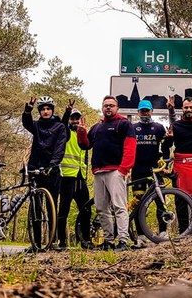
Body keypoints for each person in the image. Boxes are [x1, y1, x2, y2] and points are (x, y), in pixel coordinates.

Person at [77, 95, 136, 252]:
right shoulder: (97, 127)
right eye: (105, 105)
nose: (108, 108)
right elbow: (85, 146)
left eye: (111, 105)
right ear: (102, 108)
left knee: (119, 207)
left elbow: (130, 148)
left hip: (116, 171)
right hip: (98, 172)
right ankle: (108, 241)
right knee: (101, 208)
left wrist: (123, 170)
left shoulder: (124, 124)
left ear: (117, 108)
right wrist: (82, 133)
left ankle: (123, 240)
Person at [22, 95, 67, 253]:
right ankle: (35, 243)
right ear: (39, 111)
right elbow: (26, 123)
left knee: (51, 206)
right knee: (35, 206)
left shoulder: (60, 127)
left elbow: (60, 147)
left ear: (52, 110)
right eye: (42, 109)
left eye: (48, 109)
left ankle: (51, 242)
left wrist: (52, 165)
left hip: (51, 171)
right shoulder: (37, 125)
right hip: (35, 168)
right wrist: (28, 110)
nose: (46, 111)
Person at [163, 97, 192, 233]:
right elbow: (166, 147)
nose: (188, 110)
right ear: (182, 109)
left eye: (191, 107)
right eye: (186, 107)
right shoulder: (175, 126)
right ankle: (183, 232)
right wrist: (168, 140)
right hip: (180, 166)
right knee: (181, 200)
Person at [130, 100, 168, 248]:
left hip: (155, 170)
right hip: (138, 170)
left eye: (147, 110)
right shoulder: (133, 128)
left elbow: (165, 147)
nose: (145, 113)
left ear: (152, 111)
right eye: (142, 111)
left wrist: (164, 163)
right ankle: (140, 236)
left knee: (160, 201)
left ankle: (163, 232)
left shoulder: (158, 128)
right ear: (138, 112)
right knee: (138, 203)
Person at [56, 103, 91, 251]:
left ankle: (85, 240)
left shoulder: (84, 135)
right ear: (69, 120)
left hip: (81, 177)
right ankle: (61, 241)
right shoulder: (65, 133)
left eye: (77, 118)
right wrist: (67, 112)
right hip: (66, 177)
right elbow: (62, 124)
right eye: (73, 119)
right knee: (64, 210)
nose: (75, 121)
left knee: (86, 210)